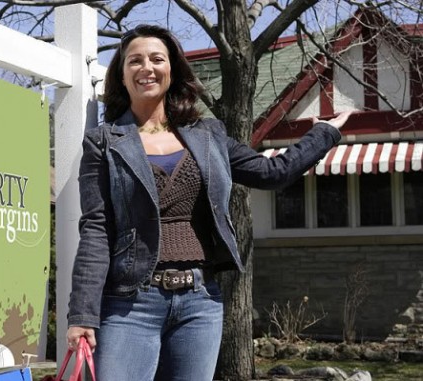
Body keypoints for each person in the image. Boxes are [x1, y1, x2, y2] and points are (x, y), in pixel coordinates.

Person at [66, 24, 351, 381]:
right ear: (122, 75)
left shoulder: (209, 135)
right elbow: (95, 229)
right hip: (130, 303)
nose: (147, 68)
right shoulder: (104, 142)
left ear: (172, 70)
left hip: (200, 303)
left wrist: (324, 133)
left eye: (157, 58)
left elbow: (271, 172)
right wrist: (82, 314)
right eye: (134, 61)